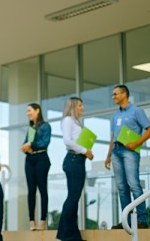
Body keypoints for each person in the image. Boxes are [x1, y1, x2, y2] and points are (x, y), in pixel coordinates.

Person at [105, 85, 150, 229]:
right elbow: (113, 136)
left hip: (130, 151)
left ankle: (142, 219)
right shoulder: (115, 115)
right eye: (113, 94)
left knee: (133, 184)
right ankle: (127, 221)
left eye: (115, 94)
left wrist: (136, 143)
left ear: (124, 94)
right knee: (121, 187)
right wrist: (108, 156)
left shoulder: (137, 111)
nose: (113, 97)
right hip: (116, 151)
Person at [56, 97, 94, 241]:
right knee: (72, 198)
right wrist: (85, 150)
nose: (82, 108)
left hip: (79, 160)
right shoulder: (68, 120)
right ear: (72, 107)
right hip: (73, 160)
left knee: (74, 198)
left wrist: (86, 151)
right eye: (79, 106)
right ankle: (66, 235)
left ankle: (71, 234)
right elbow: (67, 141)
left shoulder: (76, 122)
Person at [21, 103, 51, 231]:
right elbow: (25, 144)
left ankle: (43, 221)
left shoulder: (45, 126)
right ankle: (32, 221)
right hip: (30, 159)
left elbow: (45, 142)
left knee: (42, 189)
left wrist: (30, 144)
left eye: (30, 110)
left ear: (37, 110)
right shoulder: (31, 128)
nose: (28, 113)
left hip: (41, 159)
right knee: (31, 191)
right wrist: (25, 147)